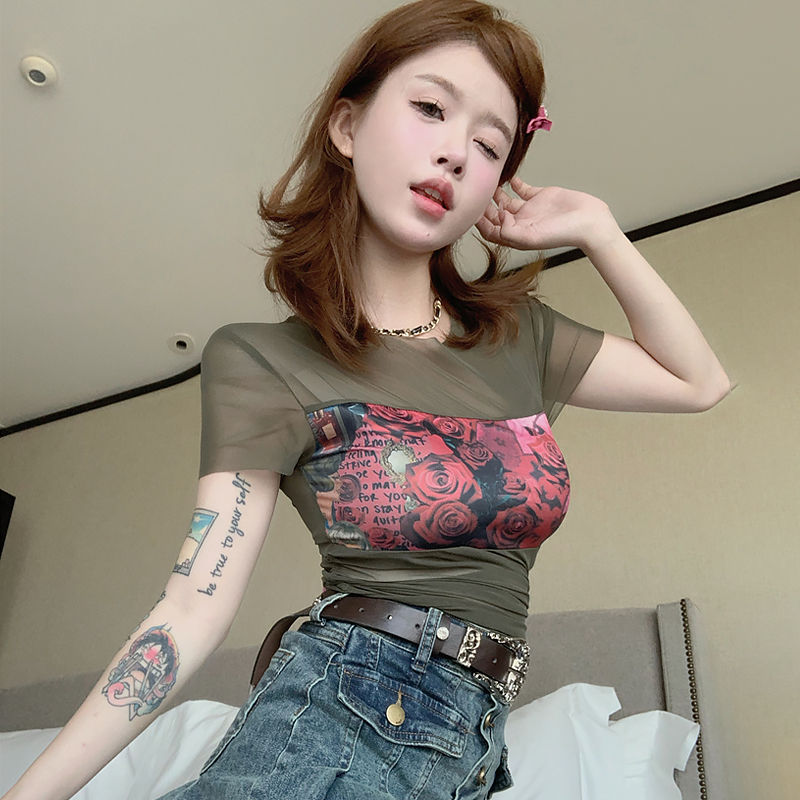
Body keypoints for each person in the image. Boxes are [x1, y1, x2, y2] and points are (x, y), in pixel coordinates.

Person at [3, 1, 731, 799]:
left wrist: (597, 228)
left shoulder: (518, 337)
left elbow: (697, 381)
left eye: (490, 145)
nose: (456, 152)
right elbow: (190, 608)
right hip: (339, 716)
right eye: (430, 108)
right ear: (347, 127)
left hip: (468, 749)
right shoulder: (264, 360)